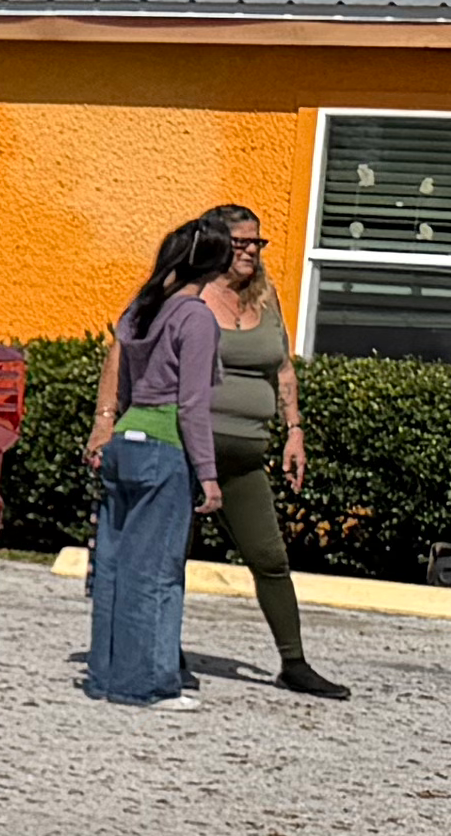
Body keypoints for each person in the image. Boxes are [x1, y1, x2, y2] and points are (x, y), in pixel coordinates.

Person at [85, 213, 240, 705]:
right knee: (157, 572)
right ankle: (148, 684)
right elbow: (192, 404)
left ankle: (106, 677)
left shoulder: (140, 310)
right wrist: (210, 477)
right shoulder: (196, 318)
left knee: (113, 568)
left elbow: (126, 385)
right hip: (164, 448)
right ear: (216, 262)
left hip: (125, 442)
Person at [197, 201, 350, 702]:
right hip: (189, 450)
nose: (250, 253)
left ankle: (294, 663)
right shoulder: (192, 295)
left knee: (269, 557)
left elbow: (282, 368)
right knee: (168, 554)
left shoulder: (267, 297)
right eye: (240, 243)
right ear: (216, 244)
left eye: (256, 243)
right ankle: (156, 652)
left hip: (245, 457)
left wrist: (294, 429)